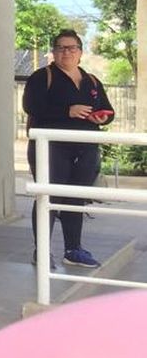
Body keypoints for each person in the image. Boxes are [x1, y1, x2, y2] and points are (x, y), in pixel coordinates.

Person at [23, 28, 114, 269]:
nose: (67, 52)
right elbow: (31, 106)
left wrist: (102, 118)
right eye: (61, 47)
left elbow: (108, 109)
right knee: (48, 196)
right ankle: (41, 251)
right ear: (53, 52)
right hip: (51, 148)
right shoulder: (42, 77)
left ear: (80, 53)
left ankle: (73, 249)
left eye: (71, 48)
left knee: (75, 199)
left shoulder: (91, 80)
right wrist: (67, 111)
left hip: (85, 148)